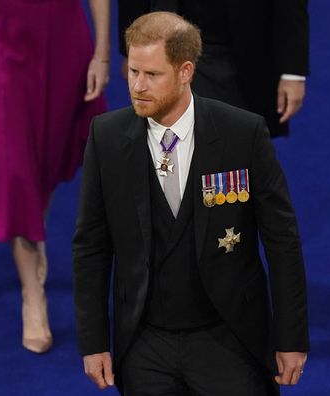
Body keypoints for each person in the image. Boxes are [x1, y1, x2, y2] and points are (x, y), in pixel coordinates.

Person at [73, 11, 308, 396]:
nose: (138, 86)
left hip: (228, 337)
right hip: (144, 343)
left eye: (152, 75)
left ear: (185, 71)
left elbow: (282, 240)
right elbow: (91, 248)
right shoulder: (107, 137)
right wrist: (94, 342)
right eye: (133, 71)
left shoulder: (242, 133)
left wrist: (291, 336)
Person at [0, 0, 110, 353]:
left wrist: (101, 53)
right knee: (15, 168)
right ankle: (33, 296)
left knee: (47, 159)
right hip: (2, 42)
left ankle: (33, 233)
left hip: (63, 41)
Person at [117, 0, 309, 137]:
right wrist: (131, 50)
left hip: (238, 53)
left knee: (235, 152)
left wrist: (293, 72)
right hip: (166, 45)